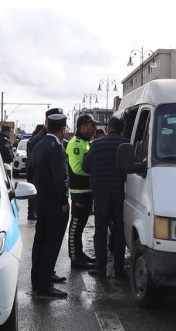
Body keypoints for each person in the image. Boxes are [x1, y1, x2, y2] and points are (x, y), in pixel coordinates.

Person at [27, 113, 70, 298]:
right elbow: (60, 178)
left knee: (40, 242)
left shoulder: (39, 144)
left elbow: (30, 172)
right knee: (51, 244)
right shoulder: (55, 147)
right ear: (62, 129)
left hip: (41, 200)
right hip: (54, 204)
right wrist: (64, 200)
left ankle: (38, 280)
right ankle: (44, 286)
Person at [82, 116, 129, 279]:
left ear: (109, 127)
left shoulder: (96, 144)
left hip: (101, 193)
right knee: (119, 232)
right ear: (121, 129)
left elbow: (85, 166)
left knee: (101, 231)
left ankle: (100, 269)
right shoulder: (127, 144)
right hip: (120, 193)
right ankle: (118, 270)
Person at [65, 114, 99, 270]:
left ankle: (80, 253)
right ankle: (75, 258)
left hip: (88, 189)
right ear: (83, 127)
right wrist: (97, 174)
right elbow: (77, 169)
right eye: (92, 126)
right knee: (76, 226)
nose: (95, 128)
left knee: (82, 225)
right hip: (79, 190)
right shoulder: (76, 143)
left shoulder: (87, 142)